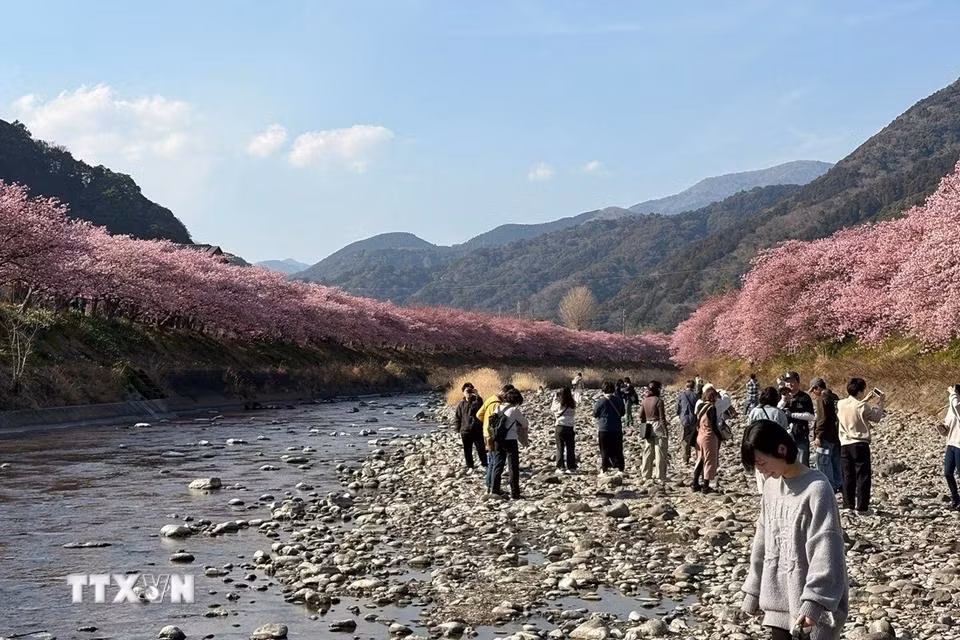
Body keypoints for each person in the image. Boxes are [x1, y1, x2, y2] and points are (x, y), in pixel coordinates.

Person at [740, 419, 849, 640]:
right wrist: (753, 590)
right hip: (778, 605)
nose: (761, 471)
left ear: (781, 450)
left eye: (762, 463)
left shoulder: (817, 488)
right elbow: (762, 541)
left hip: (809, 610)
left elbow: (826, 549)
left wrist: (814, 604)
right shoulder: (771, 488)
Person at [837, 377, 885, 515]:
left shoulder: (841, 403)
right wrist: (881, 402)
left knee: (848, 476)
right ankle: (862, 507)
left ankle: (848, 505)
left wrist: (866, 399)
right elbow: (876, 417)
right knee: (862, 476)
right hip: (860, 443)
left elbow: (853, 408)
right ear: (861, 390)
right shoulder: (862, 406)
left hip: (845, 444)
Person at [486, 388, 528, 500]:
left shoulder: (497, 408)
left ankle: (495, 491)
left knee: (498, 465)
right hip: (510, 441)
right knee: (513, 467)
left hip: (497, 440)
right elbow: (525, 423)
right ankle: (515, 493)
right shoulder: (514, 410)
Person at [476, 384, 516, 495]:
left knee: (491, 460)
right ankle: (491, 486)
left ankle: (489, 485)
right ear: (505, 393)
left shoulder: (490, 399)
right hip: (492, 435)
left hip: (486, 432)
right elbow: (497, 423)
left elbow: (479, 414)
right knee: (494, 461)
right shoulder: (497, 405)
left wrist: (484, 423)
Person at [749, 387, 789, 492]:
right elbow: (784, 431)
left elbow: (749, 430)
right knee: (776, 476)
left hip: (757, 448)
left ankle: (764, 496)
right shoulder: (778, 413)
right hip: (774, 449)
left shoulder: (754, 412)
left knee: (761, 476)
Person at [809, 377, 842, 493]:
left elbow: (822, 419)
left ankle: (829, 486)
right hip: (836, 435)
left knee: (823, 462)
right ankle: (839, 483)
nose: (813, 394)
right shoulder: (834, 397)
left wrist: (818, 436)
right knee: (835, 461)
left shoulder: (821, 399)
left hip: (826, 437)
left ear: (817, 388)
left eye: (813, 390)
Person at [779, 372, 815, 467]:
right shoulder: (782, 396)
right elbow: (776, 412)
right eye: (787, 382)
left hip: (800, 435)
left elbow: (811, 416)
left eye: (792, 381)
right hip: (785, 437)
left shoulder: (804, 397)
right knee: (787, 464)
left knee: (803, 464)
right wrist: (783, 401)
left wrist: (792, 415)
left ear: (798, 382)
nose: (789, 384)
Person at [693, 384, 722, 493]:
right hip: (709, 437)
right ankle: (706, 486)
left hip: (699, 435)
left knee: (700, 459)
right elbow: (714, 425)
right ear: (713, 397)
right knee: (709, 461)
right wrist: (720, 437)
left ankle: (695, 483)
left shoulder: (701, 406)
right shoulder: (712, 408)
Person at [638, 380, 669, 485]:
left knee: (647, 451)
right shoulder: (659, 401)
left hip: (647, 425)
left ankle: (646, 475)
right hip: (657, 425)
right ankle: (660, 476)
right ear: (658, 389)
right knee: (660, 451)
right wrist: (665, 431)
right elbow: (662, 418)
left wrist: (643, 425)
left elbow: (640, 415)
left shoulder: (644, 400)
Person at [593, 380, 626, 474]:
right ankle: (620, 468)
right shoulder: (618, 400)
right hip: (616, 428)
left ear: (603, 390)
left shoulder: (601, 401)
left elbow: (595, 413)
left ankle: (605, 469)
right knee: (618, 449)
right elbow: (623, 413)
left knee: (604, 450)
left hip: (604, 428)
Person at [453, 383, 486, 471]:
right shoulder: (461, 404)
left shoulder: (477, 401)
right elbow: (457, 417)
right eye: (466, 391)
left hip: (477, 429)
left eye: (470, 390)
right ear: (463, 392)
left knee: (481, 448)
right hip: (465, 430)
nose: (468, 393)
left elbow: (481, 406)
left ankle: (485, 464)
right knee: (467, 450)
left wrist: (477, 395)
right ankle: (470, 466)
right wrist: (457, 429)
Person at [551, 386, 577, 473]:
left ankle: (561, 467)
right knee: (570, 448)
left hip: (560, 426)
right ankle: (571, 467)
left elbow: (552, 409)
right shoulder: (573, 404)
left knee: (560, 447)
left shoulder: (559, 404)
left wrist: (555, 398)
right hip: (570, 427)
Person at [943, 385, 960, 509]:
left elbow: (955, 405)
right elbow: (947, 425)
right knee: (948, 473)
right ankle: (955, 498)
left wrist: (952, 393)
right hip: (951, 443)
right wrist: (942, 428)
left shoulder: (957, 407)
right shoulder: (952, 408)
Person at [677, 379, 699, 464]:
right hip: (693, 419)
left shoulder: (682, 395)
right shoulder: (696, 395)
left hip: (684, 419)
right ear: (693, 386)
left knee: (684, 439)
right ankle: (697, 456)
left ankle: (686, 458)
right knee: (693, 437)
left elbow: (678, 407)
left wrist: (679, 414)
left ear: (686, 386)